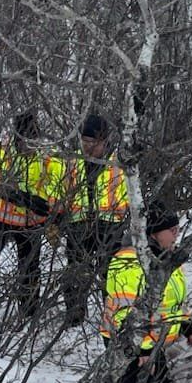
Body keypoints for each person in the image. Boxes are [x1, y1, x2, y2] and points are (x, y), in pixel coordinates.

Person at [100, 203, 192, 383]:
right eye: (171, 229)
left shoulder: (167, 258)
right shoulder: (131, 262)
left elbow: (172, 302)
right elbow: (124, 313)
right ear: (154, 232)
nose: (176, 234)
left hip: (152, 342)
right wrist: (141, 350)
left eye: (178, 228)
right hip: (128, 343)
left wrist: (186, 325)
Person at [0, 111, 60, 320]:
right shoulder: (0, 151)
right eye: (24, 140)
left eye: (33, 139)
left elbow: (57, 186)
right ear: (17, 137)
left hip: (31, 222)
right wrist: (21, 197)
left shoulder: (47, 156)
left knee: (30, 268)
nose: (29, 145)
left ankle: (29, 311)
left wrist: (43, 202)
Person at [58, 113, 129, 325]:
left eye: (93, 142)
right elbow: (62, 193)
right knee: (74, 275)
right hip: (78, 226)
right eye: (84, 141)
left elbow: (130, 198)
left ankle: (112, 318)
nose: (88, 146)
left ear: (105, 141)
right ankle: (75, 318)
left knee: (112, 276)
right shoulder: (73, 163)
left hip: (110, 227)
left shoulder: (119, 164)